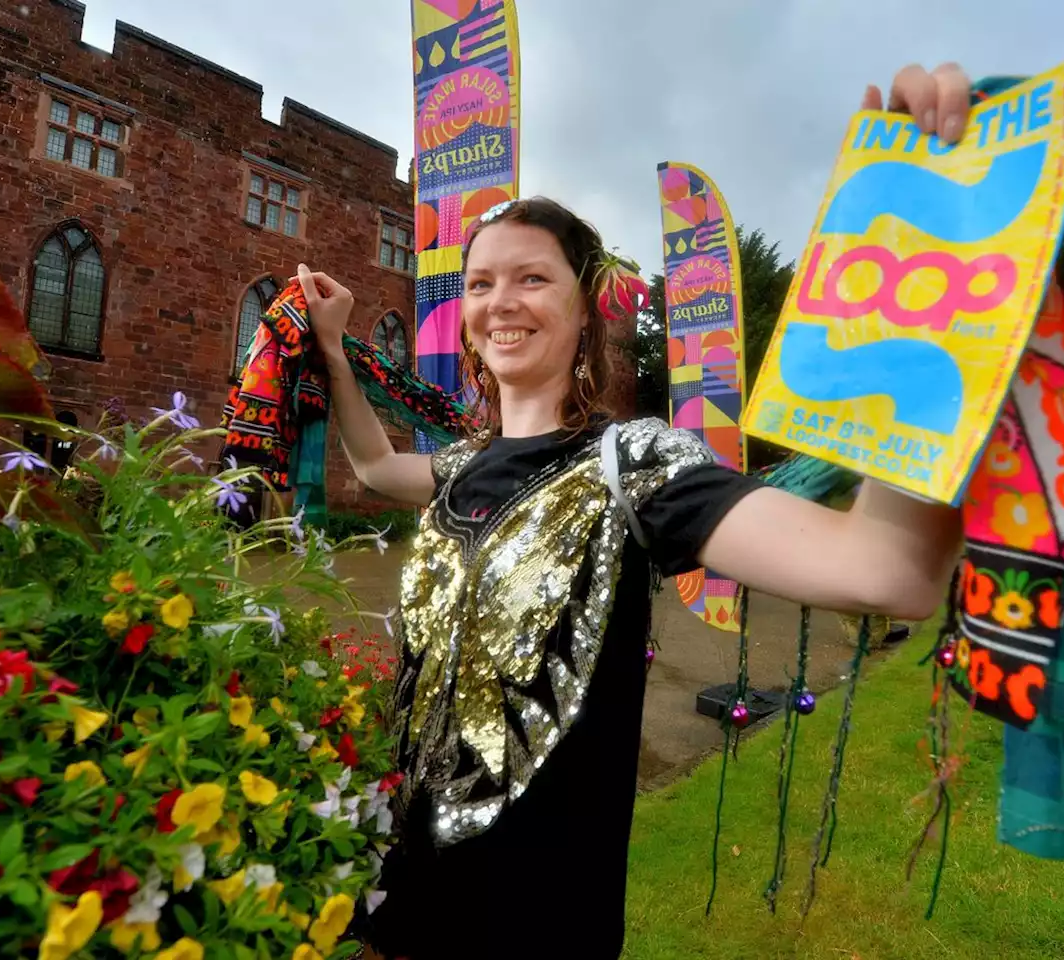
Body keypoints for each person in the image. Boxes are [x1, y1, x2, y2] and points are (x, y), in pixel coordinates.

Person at [297, 64, 972, 960]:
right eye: (480, 283)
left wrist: (942, 272)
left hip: (536, 920)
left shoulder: (633, 464)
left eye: (531, 278)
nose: (500, 301)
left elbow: (888, 571)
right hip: (401, 896)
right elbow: (378, 464)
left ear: (584, 313)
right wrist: (337, 349)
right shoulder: (462, 466)